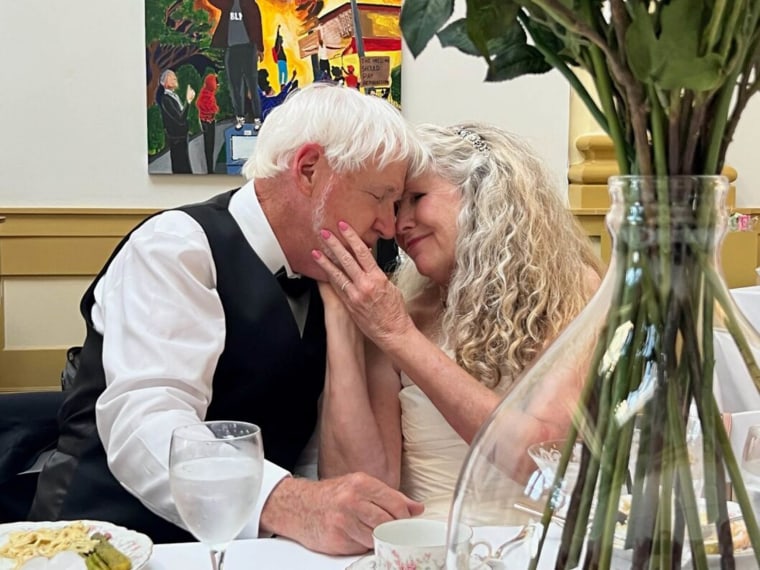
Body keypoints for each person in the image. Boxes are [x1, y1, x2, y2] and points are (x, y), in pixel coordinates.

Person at [29, 83, 425, 553]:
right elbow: (146, 423)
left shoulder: (335, 276)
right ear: (309, 169)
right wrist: (292, 503)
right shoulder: (177, 246)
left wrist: (341, 315)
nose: (387, 225)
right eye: (380, 196)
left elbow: (334, 470)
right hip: (105, 545)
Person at [313, 123, 603, 519]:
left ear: (483, 193)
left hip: (532, 548)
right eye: (396, 207)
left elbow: (539, 459)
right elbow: (362, 485)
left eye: (417, 198)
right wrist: (342, 317)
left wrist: (400, 336)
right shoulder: (401, 308)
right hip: (424, 550)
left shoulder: (572, 291)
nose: (399, 226)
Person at [209, 0, 264, 131]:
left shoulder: (251, 5)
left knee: (251, 84)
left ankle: (257, 118)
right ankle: (240, 117)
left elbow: (257, 25)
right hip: (232, 49)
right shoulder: (228, 3)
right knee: (235, 86)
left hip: (248, 49)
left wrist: (260, 48)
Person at [157, 69, 195, 174]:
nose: (174, 79)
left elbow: (182, 116)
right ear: (163, 82)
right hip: (176, 138)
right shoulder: (166, 99)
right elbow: (180, 118)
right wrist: (188, 101)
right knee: (181, 167)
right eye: (171, 77)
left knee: (185, 164)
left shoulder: (174, 96)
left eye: (175, 77)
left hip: (182, 137)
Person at [196, 73, 220, 174]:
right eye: (216, 83)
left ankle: (210, 168)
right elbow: (211, 108)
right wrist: (215, 109)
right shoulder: (207, 95)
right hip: (208, 122)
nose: (218, 85)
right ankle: (210, 169)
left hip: (207, 121)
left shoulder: (206, 92)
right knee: (209, 146)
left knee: (210, 146)